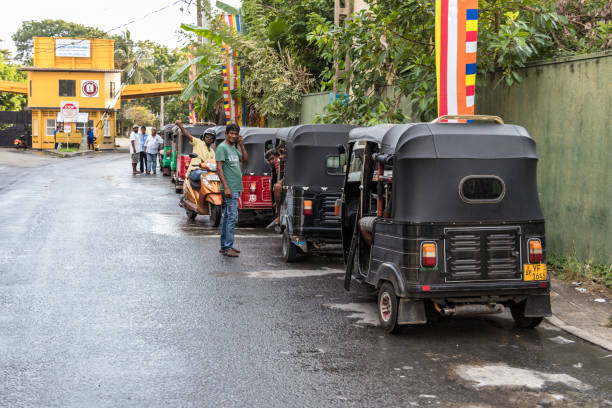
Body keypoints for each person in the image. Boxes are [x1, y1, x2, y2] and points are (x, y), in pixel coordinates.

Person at [216, 123, 248, 257]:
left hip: (236, 187)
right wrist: (227, 187)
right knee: (232, 218)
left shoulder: (234, 148)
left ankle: (225, 246)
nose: (233, 136)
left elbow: (245, 160)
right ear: (226, 134)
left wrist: (241, 144)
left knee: (228, 217)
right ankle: (228, 246)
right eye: (231, 133)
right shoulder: (222, 148)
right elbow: (219, 169)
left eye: (236, 134)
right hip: (230, 188)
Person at [272, 145, 286, 225]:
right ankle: (279, 213)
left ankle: (279, 214)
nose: (280, 156)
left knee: (277, 187)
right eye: (279, 154)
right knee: (276, 186)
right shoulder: (281, 161)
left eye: (282, 153)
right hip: (287, 180)